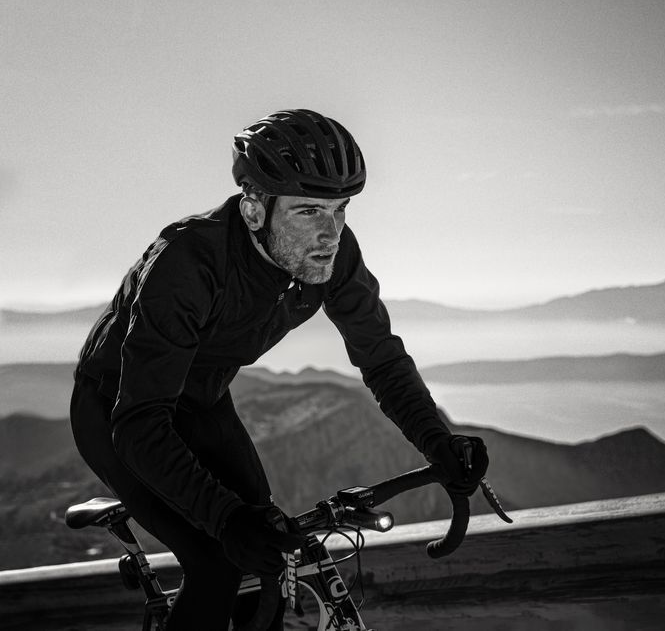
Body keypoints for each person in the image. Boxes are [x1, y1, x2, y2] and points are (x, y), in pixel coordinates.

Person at [70, 109, 488, 630]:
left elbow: (381, 357)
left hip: (203, 397)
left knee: (273, 552)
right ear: (253, 210)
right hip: (118, 406)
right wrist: (226, 519)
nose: (330, 233)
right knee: (219, 559)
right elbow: (138, 422)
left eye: (341, 210)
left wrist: (438, 441)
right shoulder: (187, 262)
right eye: (308, 211)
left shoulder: (335, 255)